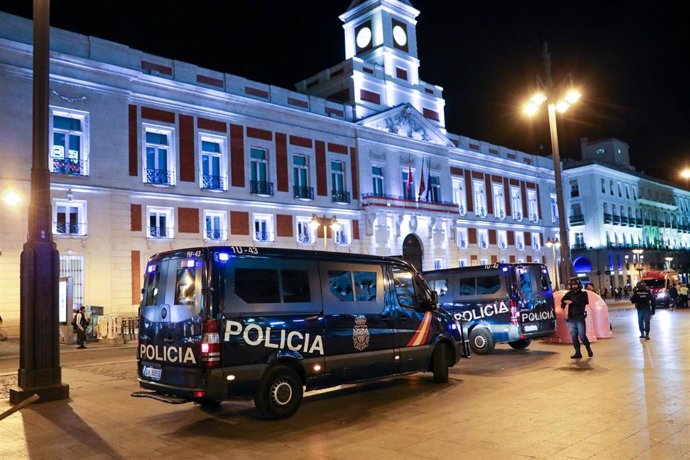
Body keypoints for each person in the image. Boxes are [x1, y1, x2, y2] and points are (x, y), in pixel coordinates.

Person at [561, 277, 593, 359]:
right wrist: (563, 306)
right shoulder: (569, 294)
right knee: (574, 336)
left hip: (580, 318)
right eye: (572, 285)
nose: (574, 286)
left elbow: (584, 302)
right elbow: (563, 300)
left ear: (579, 285)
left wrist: (572, 302)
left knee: (582, 335)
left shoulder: (583, 294)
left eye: (575, 284)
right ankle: (578, 352)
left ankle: (588, 348)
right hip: (571, 318)